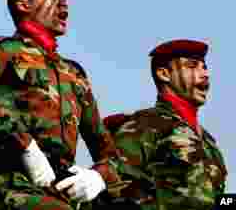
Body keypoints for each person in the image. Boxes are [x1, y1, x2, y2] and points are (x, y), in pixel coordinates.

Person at [0, 0, 122, 209]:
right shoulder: (3, 52)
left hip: (59, 186)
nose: (63, 1)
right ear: (23, 4)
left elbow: (107, 150)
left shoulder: (73, 73)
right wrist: (24, 144)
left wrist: (98, 177)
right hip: (9, 179)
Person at [97, 40, 226, 209]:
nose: (204, 74)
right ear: (164, 74)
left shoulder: (209, 142)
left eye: (204, 67)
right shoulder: (144, 125)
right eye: (192, 66)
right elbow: (113, 183)